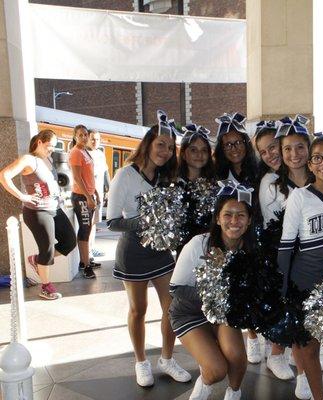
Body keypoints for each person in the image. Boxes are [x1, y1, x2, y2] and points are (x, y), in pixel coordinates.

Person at [106, 114, 191, 387]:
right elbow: (112, 222)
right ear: (148, 144)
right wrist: (146, 220)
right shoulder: (125, 175)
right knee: (138, 310)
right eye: (161, 145)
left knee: (172, 307)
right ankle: (141, 361)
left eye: (170, 147)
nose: (165, 152)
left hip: (161, 252)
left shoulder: (167, 177)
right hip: (133, 252)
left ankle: (166, 358)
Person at [278, 132, 323, 400]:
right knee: (309, 348)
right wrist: (283, 287)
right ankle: (318, 396)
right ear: (310, 164)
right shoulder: (299, 197)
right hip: (305, 281)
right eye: (317, 158)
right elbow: (286, 245)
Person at [170, 181, 254, 400]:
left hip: (224, 315)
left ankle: (234, 392)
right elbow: (175, 289)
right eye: (227, 215)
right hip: (189, 311)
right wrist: (215, 297)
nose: (234, 221)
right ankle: (205, 381)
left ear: (249, 220)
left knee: (236, 356)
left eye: (241, 215)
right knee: (216, 370)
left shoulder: (252, 252)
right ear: (217, 218)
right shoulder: (198, 244)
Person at [259, 115, 311, 398]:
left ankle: (305, 361)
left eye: (299, 148)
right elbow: (271, 227)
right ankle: (285, 360)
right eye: (287, 148)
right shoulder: (270, 182)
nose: (293, 155)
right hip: (286, 256)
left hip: (316, 257)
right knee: (291, 311)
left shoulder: (322, 177)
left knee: (310, 316)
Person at [0, 130, 77, 300]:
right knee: (47, 249)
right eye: (49, 146)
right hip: (37, 211)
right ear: (40, 142)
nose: (51, 150)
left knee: (70, 241)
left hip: (55, 208)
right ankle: (45, 287)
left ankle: (37, 260)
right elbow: (4, 175)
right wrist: (22, 196)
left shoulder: (46, 159)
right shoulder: (29, 159)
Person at [245, 120, 281, 365]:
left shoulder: (306, 172)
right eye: (263, 151)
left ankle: (297, 351)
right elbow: (272, 225)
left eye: (273, 147)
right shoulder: (268, 181)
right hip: (274, 247)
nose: (269, 155)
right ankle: (258, 340)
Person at [176, 123, 216, 253]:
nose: (199, 154)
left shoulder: (215, 184)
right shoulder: (173, 185)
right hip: (184, 250)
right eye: (193, 150)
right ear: (183, 154)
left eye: (204, 150)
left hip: (210, 247)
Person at [68, 125, 98, 279]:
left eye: (86, 134)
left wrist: (96, 193)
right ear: (75, 136)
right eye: (80, 135)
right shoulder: (75, 153)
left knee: (87, 229)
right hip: (81, 197)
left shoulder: (85, 151)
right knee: (85, 230)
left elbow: (89, 176)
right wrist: (87, 197)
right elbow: (77, 178)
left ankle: (84, 261)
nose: (84, 137)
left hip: (88, 195)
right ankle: (86, 266)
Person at [213, 113, 259, 189]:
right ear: (222, 148)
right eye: (228, 144)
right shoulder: (216, 174)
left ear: (246, 144)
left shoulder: (259, 171)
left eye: (238, 143)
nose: (234, 149)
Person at [87, 129, 110, 264]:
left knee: (95, 223)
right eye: (93, 139)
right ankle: (88, 251)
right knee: (89, 224)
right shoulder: (85, 154)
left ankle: (92, 247)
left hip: (99, 194)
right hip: (90, 194)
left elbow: (105, 172)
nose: (95, 142)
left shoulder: (100, 154)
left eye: (97, 139)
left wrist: (109, 188)